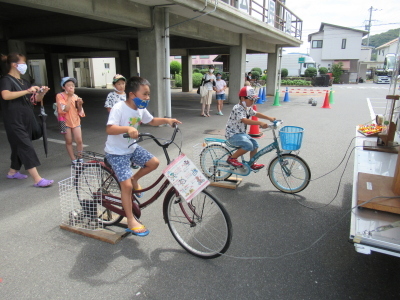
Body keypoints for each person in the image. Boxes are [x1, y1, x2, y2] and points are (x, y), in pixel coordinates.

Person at [105, 76, 181, 236]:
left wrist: (167, 120)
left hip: (131, 148)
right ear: (132, 95)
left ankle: (135, 179)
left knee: (153, 162)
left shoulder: (140, 109)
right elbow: (110, 129)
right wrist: (127, 129)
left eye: (148, 94)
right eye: (145, 94)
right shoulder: (119, 107)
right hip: (117, 152)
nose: (148, 98)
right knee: (125, 187)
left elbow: (151, 121)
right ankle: (131, 219)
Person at [0, 53, 53, 187]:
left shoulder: (25, 82)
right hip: (13, 119)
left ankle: (13, 172)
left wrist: (41, 93)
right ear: (14, 65)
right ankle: (37, 179)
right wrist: (27, 91)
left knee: (19, 145)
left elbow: (35, 99)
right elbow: (6, 95)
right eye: (23, 63)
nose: (25, 66)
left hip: (26, 118)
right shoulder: (6, 79)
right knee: (25, 146)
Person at [225, 86, 276, 170]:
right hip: (232, 135)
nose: (253, 101)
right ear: (242, 99)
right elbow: (245, 120)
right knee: (248, 145)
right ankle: (232, 158)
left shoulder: (247, 108)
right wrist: (260, 123)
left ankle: (252, 163)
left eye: (254, 100)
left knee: (255, 145)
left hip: (241, 134)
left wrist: (269, 118)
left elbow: (256, 113)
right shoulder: (237, 108)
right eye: (251, 99)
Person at [56, 77, 85, 164]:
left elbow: (80, 111)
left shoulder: (76, 96)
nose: (71, 87)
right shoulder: (59, 96)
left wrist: (80, 104)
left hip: (76, 120)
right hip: (64, 122)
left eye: (72, 85)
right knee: (69, 141)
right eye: (68, 85)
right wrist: (69, 96)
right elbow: (65, 109)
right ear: (63, 87)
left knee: (79, 140)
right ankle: (73, 159)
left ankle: (80, 157)